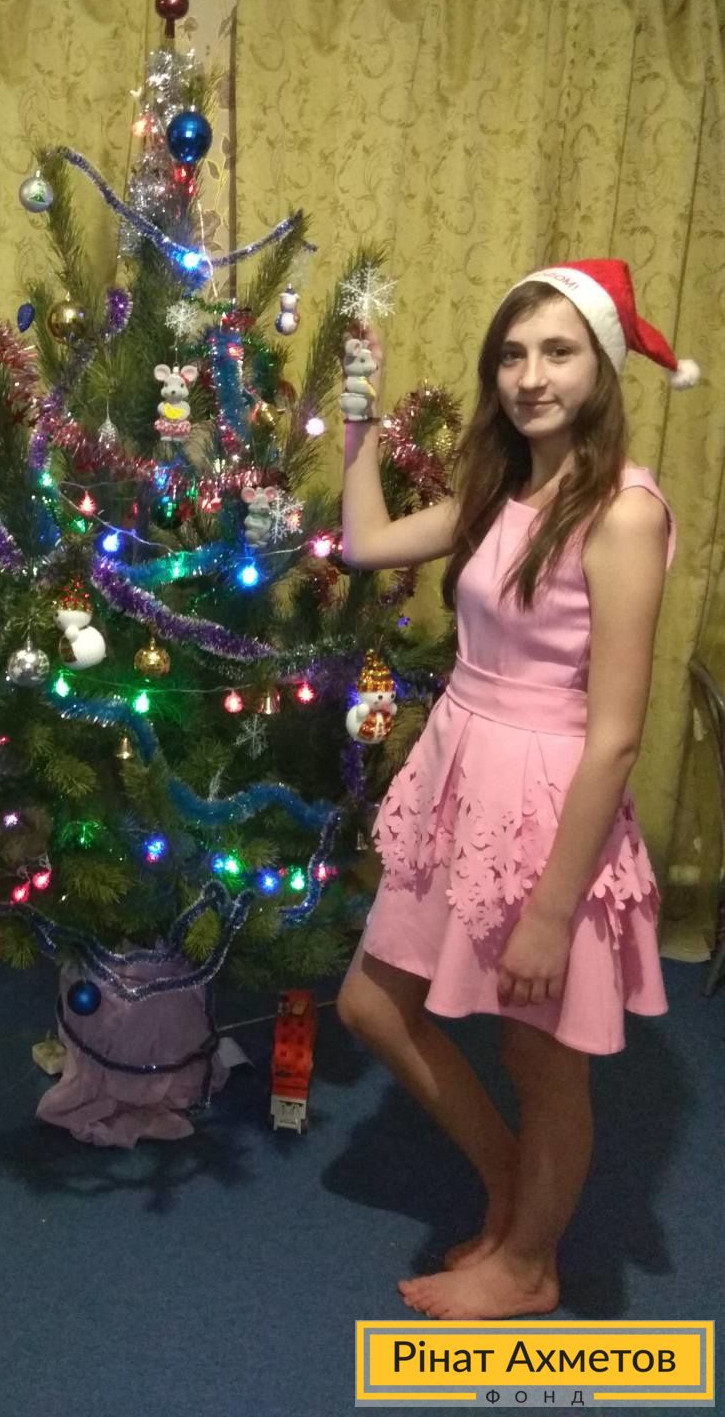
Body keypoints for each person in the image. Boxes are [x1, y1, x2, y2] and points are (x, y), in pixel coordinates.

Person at [335, 259, 697, 1320]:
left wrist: (550, 909)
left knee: (542, 1061)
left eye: (558, 352)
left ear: (602, 367)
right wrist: (357, 430)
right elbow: (364, 544)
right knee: (370, 1004)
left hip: (548, 807)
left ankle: (531, 1264)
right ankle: (509, 1180)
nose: (531, 376)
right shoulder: (504, 491)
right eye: (513, 354)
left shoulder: (622, 513)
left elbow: (617, 736)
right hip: (462, 780)